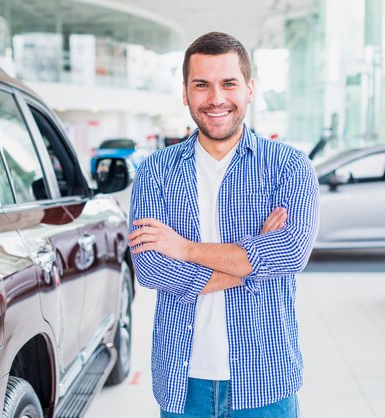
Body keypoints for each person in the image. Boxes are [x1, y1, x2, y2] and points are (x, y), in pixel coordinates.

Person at [127, 32, 319, 417]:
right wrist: (254, 257)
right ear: (185, 92)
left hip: (266, 378)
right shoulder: (155, 172)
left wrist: (183, 249)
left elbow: (291, 254)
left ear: (249, 89)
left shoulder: (288, 166)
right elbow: (150, 269)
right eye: (202, 85)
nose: (216, 98)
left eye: (229, 83)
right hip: (183, 381)